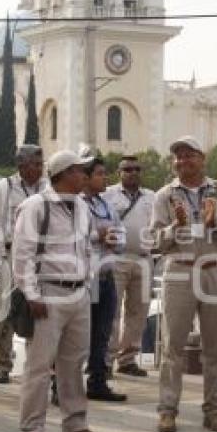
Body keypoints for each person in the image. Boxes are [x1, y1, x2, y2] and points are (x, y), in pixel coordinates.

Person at [14, 150, 105, 432]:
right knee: (39, 366)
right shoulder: (36, 206)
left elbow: (86, 247)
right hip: (48, 293)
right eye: (80, 171)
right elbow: (23, 254)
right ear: (65, 174)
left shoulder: (81, 206)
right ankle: (32, 428)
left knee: (73, 363)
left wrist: (87, 282)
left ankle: (75, 424)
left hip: (78, 294)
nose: (85, 175)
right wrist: (31, 294)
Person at [150, 136, 217, 432]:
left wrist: (216, 223)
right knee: (172, 346)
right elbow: (156, 240)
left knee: (215, 346)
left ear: (203, 159)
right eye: (178, 157)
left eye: (189, 155)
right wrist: (176, 226)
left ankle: (214, 410)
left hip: (214, 270)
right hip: (180, 271)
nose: (182, 161)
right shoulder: (165, 195)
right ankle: (167, 410)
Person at [0, 145, 47, 384]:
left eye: (42, 164)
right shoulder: (7, 186)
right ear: (22, 166)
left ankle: (38, 362)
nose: (40, 169)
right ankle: (2, 363)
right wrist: (0, 258)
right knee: (7, 307)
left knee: (37, 304)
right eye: (36, 164)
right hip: (12, 252)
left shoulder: (46, 186)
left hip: (41, 254)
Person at [104, 155, 155, 377]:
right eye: (128, 169)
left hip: (144, 258)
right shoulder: (107, 195)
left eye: (137, 169)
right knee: (112, 311)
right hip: (117, 258)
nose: (133, 173)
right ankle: (106, 359)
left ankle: (128, 358)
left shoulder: (151, 197)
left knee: (139, 311)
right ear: (119, 173)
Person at [81, 157, 127, 401]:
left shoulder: (106, 205)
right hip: (86, 277)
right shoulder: (76, 205)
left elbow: (121, 237)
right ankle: (64, 385)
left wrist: (113, 239)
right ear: (85, 177)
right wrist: (97, 235)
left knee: (102, 332)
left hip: (107, 275)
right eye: (99, 174)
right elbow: (73, 236)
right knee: (78, 333)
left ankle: (97, 380)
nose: (104, 178)